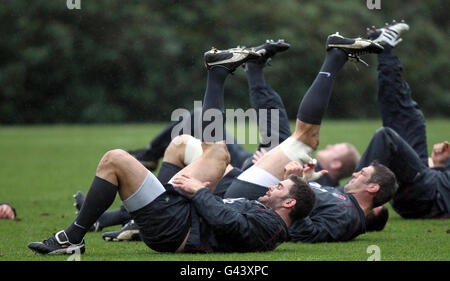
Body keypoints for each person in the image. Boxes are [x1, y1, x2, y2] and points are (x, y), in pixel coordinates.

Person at [27, 46, 317, 255]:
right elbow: (228, 218)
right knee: (217, 154)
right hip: (183, 213)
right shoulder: (268, 215)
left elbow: (230, 224)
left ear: (288, 204)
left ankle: (73, 236)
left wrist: (199, 191)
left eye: (279, 187)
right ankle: (218, 72)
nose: (271, 187)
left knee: (114, 159)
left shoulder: (273, 227)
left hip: (176, 229)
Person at [354, 21, 450, 219]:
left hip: (427, 195)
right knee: (408, 117)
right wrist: (440, 165)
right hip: (429, 183)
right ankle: (384, 49)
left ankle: (345, 199)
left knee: (387, 136)